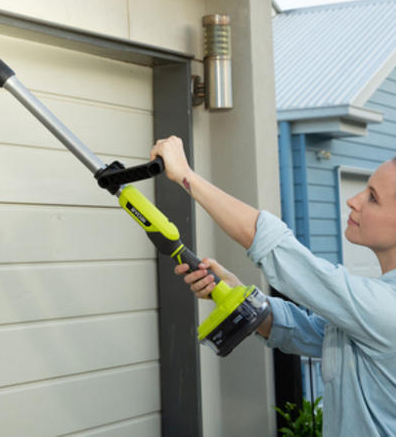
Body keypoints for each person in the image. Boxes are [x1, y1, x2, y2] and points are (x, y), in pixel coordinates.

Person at [150, 136, 396, 437]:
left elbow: (278, 249)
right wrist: (239, 294)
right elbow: (311, 332)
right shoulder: (375, 306)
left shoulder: (387, 310)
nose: (353, 201)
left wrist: (186, 176)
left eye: (372, 197)